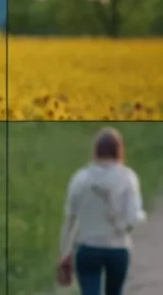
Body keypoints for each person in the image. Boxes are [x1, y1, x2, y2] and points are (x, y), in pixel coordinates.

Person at [56, 126, 146, 295]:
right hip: (118, 249)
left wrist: (65, 252)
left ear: (95, 150)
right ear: (119, 150)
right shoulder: (128, 178)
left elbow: (69, 220)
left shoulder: (80, 178)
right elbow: (133, 218)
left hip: (88, 248)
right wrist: (142, 216)